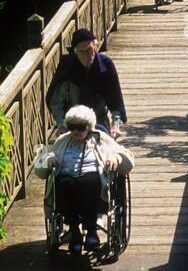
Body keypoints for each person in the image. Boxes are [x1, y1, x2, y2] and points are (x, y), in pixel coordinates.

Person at [33, 105, 134, 253]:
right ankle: (75, 233)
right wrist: (48, 159)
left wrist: (116, 157)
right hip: (68, 179)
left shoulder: (101, 138)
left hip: (92, 179)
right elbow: (40, 168)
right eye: (72, 127)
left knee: (90, 181)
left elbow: (126, 156)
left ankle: (91, 231)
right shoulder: (62, 140)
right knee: (64, 183)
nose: (75, 131)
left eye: (80, 127)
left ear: (89, 126)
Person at [46, 28, 127, 139]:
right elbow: (56, 103)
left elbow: (115, 98)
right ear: (75, 52)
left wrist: (115, 125)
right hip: (73, 123)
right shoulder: (67, 67)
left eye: (89, 50)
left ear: (96, 47)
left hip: (99, 120)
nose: (86, 55)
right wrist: (62, 124)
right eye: (81, 51)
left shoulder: (106, 64)